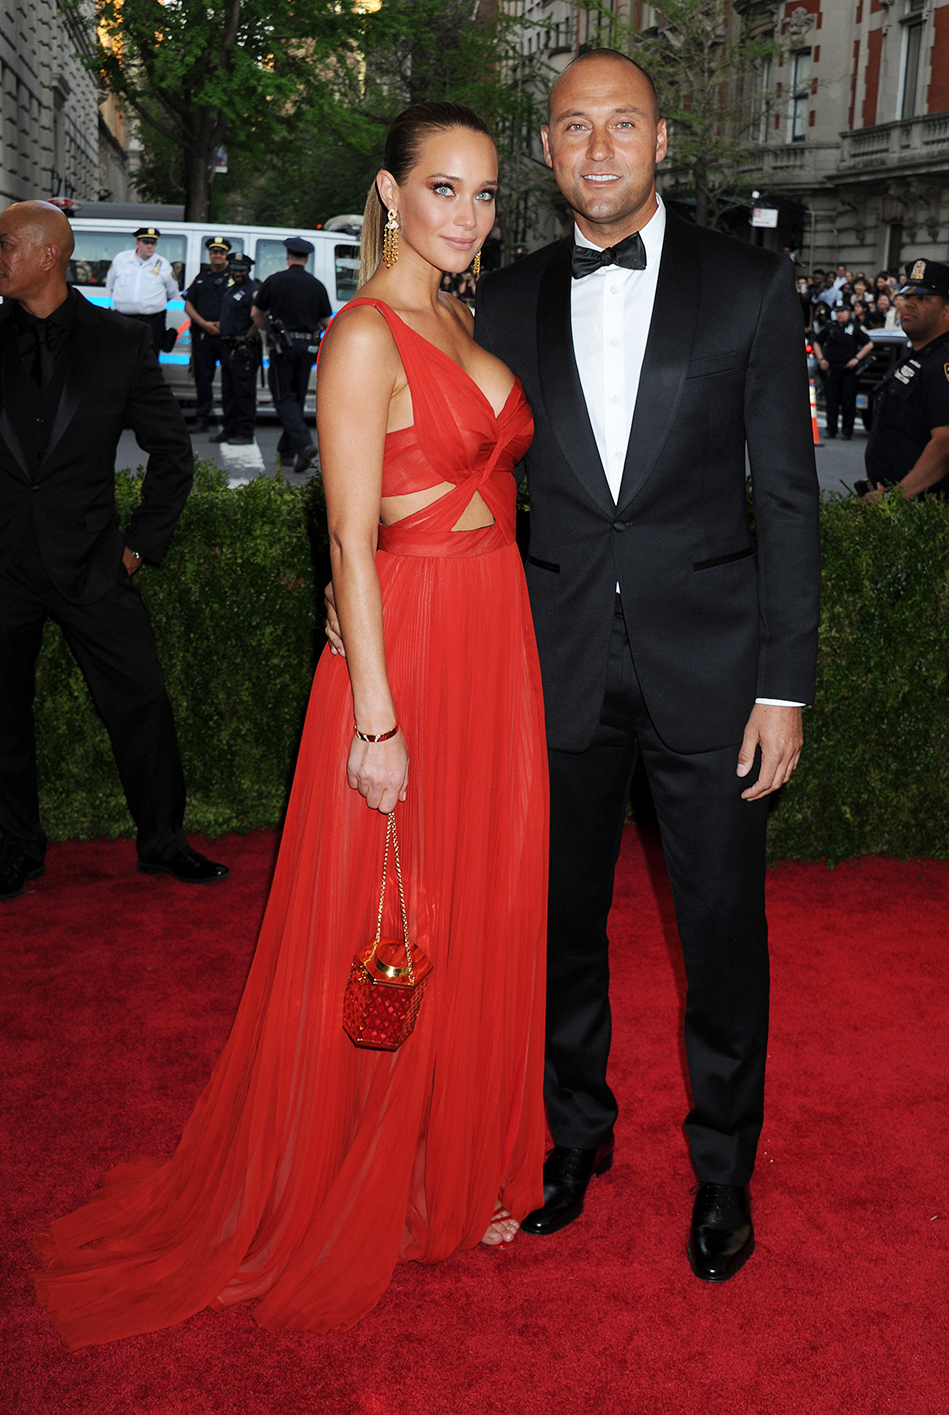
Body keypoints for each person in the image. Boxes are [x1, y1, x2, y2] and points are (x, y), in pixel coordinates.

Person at [32, 103, 548, 1347]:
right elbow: (349, 539)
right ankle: (375, 1169)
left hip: (498, 634)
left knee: (478, 895)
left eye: (484, 195)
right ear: (389, 190)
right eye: (444, 189)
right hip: (414, 645)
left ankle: (457, 1155)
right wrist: (376, 715)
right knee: (394, 907)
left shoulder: (461, 315)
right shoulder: (364, 333)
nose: (468, 217)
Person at [471, 49, 820, 1281]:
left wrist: (784, 686)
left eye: (623, 123)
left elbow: (785, 500)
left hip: (716, 677)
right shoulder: (501, 300)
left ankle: (723, 1172)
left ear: (663, 140)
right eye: (575, 127)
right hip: (548, 667)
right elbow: (468, 489)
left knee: (721, 933)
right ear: (550, 150)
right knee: (558, 928)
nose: (601, 146)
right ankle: (574, 1142)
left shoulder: (750, 285)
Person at [0, 201, 230, 900]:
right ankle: (16, 851)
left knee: (142, 705)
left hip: (92, 563)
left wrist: (137, 547)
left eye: (6, 245)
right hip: (5, 566)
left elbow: (172, 453)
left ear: (47, 255)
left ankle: (163, 842)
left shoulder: (119, 341)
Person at [862, 260, 949, 500]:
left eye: (923, 299)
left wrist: (896, 498)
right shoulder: (916, 358)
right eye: (908, 297)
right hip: (895, 502)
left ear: (948, 312)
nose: (908, 304)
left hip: (923, 507)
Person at [251, 237, 332, 474]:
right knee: (296, 397)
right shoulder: (316, 285)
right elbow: (326, 320)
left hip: (282, 348)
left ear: (287, 257)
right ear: (306, 259)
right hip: (307, 349)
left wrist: (268, 330)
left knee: (283, 398)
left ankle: (304, 444)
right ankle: (287, 452)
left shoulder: (274, 281)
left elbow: (256, 314)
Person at [183, 236, 233, 433]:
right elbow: (188, 303)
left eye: (221, 252)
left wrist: (226, 325)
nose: (217, 256)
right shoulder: (202, 277)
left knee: (229, 380)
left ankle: (230, 421)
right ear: (210, 255)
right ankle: (202, 419)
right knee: (203, 379)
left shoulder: (235, 276)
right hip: (204, 336)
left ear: (226, 255)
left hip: (227, 337)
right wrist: (204, 324)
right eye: (214, 252)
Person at [106, 226, 179, 355]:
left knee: (149, 359)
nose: (150, 246)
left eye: (153, 243)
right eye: (146, 242)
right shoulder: (121, 260)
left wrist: (153, 302)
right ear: (137, 243)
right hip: (123, 319)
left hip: (152, 321)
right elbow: (111, 285)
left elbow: (172, 292)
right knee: (121, 357)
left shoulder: (163, 264)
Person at [214, 253, 261, 446]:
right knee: (229, 392)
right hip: (228, 348)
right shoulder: (232, 288)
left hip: (244, 349)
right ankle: (229, 429)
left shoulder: (253, 290)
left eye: (241, 270)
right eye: (234, 269)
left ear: (248, 270)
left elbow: (259, 318)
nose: (237, 273)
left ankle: (245, 433)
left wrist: (246, 337)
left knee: (244, 393)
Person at [816, 301, 873, 439]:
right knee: (831, 400)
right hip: (832, 368)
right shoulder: (830, 327)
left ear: (849, 312)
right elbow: (817, 341)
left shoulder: (855, 327)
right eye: (838, 311)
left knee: (848, 401)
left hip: (848, 370)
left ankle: (847, 431)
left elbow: (869, 344)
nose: (840, 314)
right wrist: (821, 358)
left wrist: (857, 359)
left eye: (843, 311)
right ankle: (831, 429)